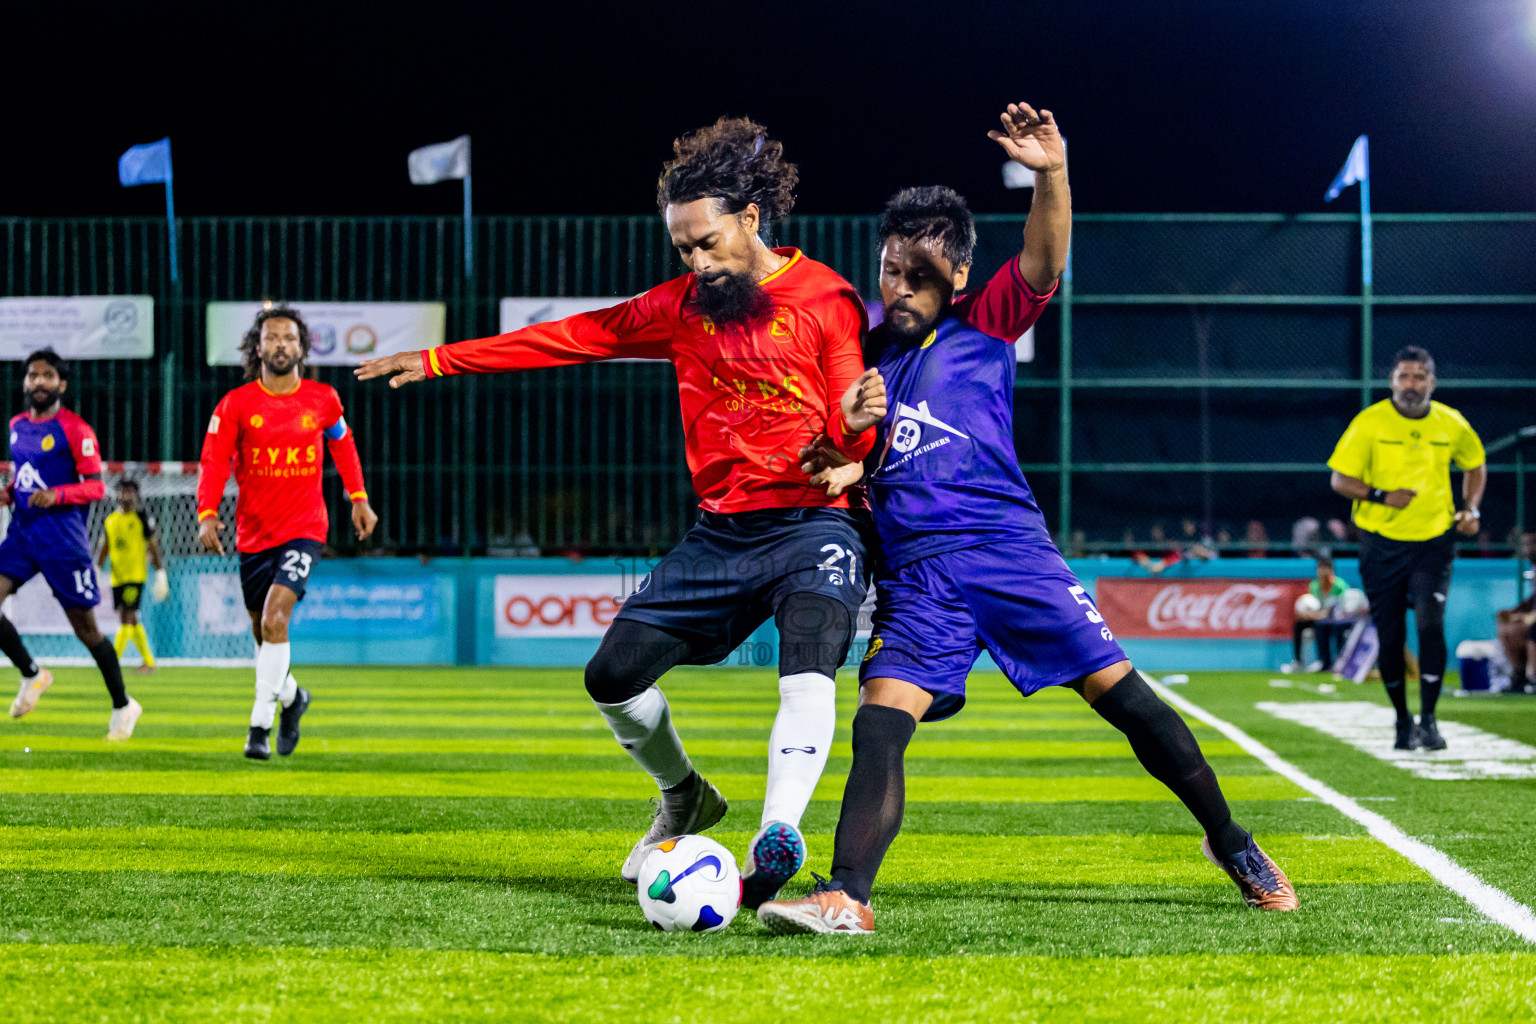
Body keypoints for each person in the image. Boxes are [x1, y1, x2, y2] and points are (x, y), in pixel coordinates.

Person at [758, 102, 1296, 936]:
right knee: (877, 724)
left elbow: (1045, 255)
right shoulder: (860, 352)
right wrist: (841, 447)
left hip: (1010, 553)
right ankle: (848, 897)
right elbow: (841, 462)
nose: (899, 288)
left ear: (959, 280)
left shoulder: (987, 323)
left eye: (920, 276)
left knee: (1131, 706)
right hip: (918, 576)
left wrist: (1052, 172)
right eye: (891, 270)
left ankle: (1232, 843)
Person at [356, 118, 881, 908]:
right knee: (611, 675)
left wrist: (850, 428)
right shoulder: (677, 308)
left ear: (750, 218)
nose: (695, 262)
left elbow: (853, 413)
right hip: (722, 531)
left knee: (809, 655)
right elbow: (571, 336)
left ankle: (778, 834)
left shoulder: (825, 297)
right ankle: (685, 796)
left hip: (817, 520)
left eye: (706, 242)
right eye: (682, 249)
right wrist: (438, 357)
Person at [197, 306, 378, 760]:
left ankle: (259, 728)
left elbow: (343, 443)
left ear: (302, 346)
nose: (281, 345)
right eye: (272, 337)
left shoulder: (323, 399)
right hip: (254, 534)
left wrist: (359, 497)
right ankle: (294, 698)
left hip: (305, 529)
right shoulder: (235, 404)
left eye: (289, 338)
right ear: (257, 347)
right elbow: (215, 461)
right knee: (264, 637)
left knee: (277, 621)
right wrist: (206, 512)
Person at [1327, 345, 1485, 750]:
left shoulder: (1452, 423)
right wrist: (1381, 495)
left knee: (1431, 626)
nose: (1411, 385)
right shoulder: (1370, 423)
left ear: (1432, 381)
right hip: (1381, 544)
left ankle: (1429, 721)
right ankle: (1402, 720)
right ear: (1392, 382)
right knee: (1391, 635)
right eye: (1404, 377)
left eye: (1419, 377)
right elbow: (1340, 479)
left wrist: (1471, 509)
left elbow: (1475, 464)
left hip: (1434, 541)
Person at [0, 349, 139, 739]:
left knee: (87, 631)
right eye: (32, 375)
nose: (38, 382)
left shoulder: (76, 429)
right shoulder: (16, 426)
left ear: (61, 384)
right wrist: (11, 493)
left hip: (63, 541)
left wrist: (58, 496)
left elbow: (96, 486)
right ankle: (33, 674)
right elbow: (27, 477)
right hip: (23, 535)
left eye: (47, 376)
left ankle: (123, 705)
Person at [96, 479, 170, 673]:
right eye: (122, 492)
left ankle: (112, 662)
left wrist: (160, 572)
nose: (125, 496)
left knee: (126, 617)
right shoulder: (111, 520)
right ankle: (149, 662)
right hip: (117, 577)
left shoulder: (142, 518)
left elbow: (153, 546)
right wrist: (97, 568)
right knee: (131, 619)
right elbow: (105, 546)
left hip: (135, 577)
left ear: (137, 495)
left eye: (129, 492)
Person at [1284, 555, 1350, 673]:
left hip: (1336, 619)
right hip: (1319, 617)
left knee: (1322, 625)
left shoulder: (1339, 585)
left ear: (1331, 571)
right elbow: (1313, 605)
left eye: (1325, 568)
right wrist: (1307, 614)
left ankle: (1326, 661)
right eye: (1320, 568)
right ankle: (1298, 661)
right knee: (1299, 624)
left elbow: (1338, 609)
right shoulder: (1314, 585)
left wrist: (1318, 615)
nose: (1322, 572)